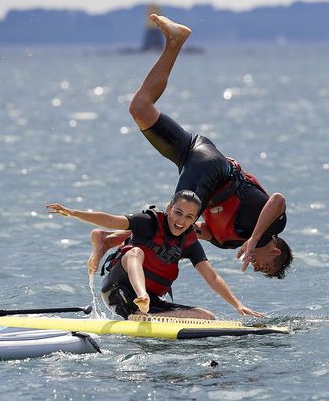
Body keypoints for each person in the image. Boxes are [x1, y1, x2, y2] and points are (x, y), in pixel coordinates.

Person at [89, 14, 293, 279]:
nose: (255, 265)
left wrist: (124, 236)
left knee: (140, 108)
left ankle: (175, 41)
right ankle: (116, 255)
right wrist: (254, 239)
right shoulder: (274, 224)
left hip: (195, 157)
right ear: (275, 251)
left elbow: (184, 228)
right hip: (215, 170)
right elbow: (278, 199)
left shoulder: (227, 242)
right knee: (173, 223)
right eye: (264, 266)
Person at [46, 190, 264, 320]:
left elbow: (212, 277)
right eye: (178, 212)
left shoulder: (189, 241)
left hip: (151, 304)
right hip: (118, 291)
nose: (181, 221)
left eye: (189, 217)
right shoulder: (148, 221)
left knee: (207, 318)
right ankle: (142, 300)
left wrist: (237, 305)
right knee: (136, 252)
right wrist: (73, 213)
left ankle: (146, 313)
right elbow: (112, 220)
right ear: (169, 208)